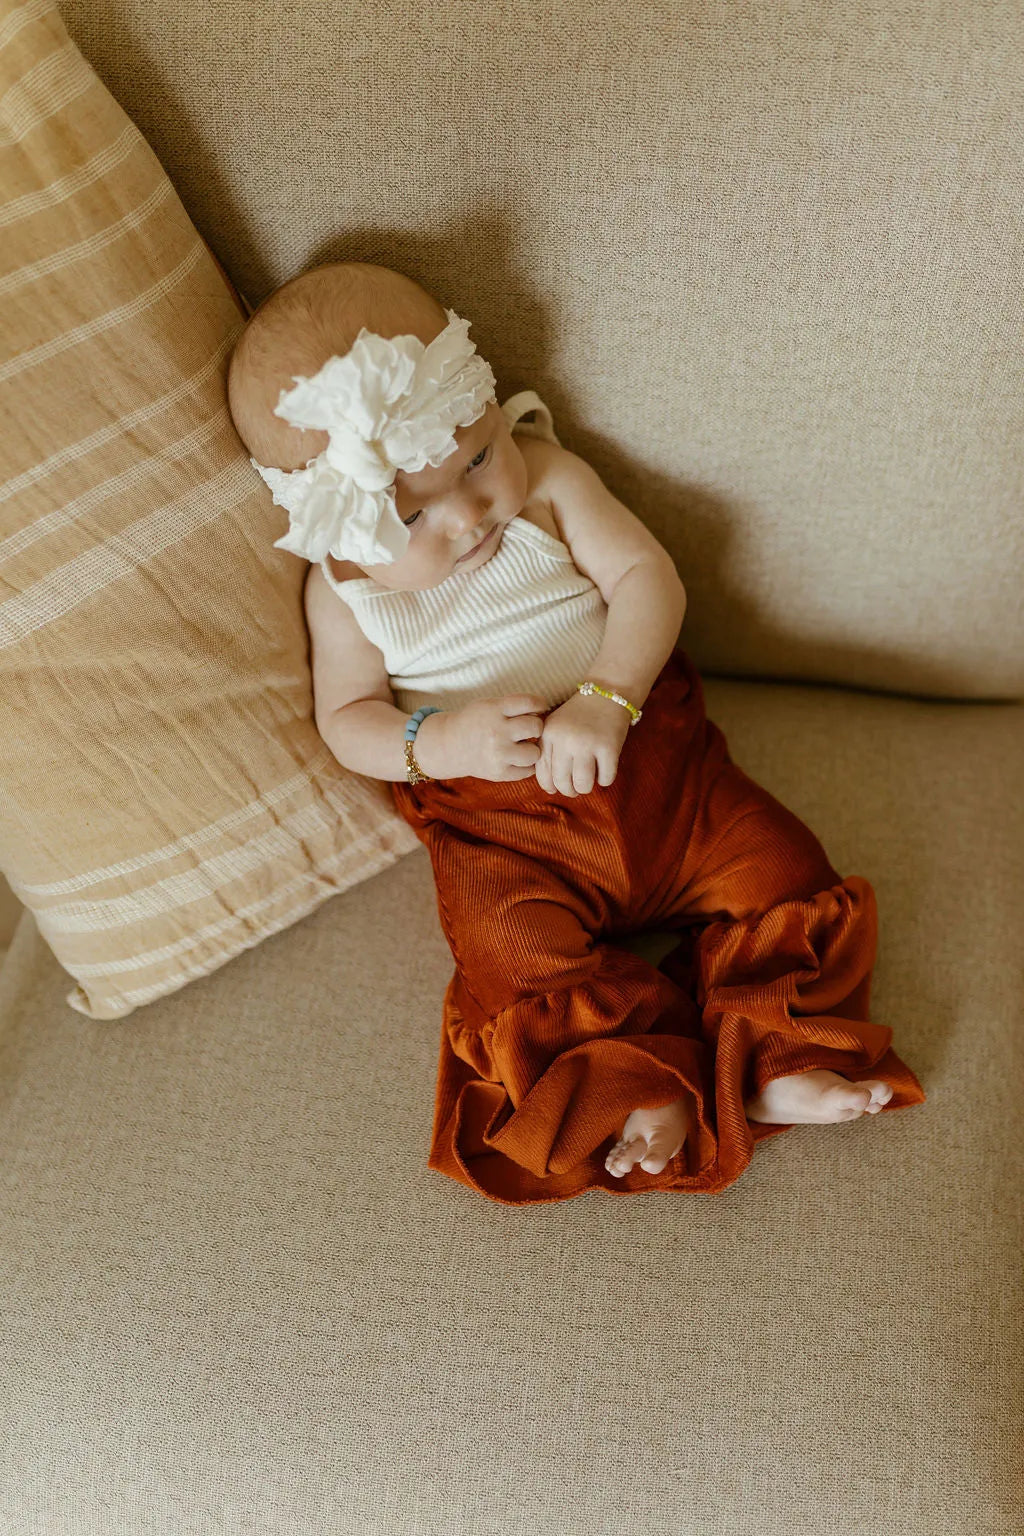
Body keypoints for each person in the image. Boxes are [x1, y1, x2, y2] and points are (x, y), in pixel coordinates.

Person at [227, 260, 926, 1206]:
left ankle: (779, 1055)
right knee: (506, 951)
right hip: (507, 833)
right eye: (413, 513)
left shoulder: (548, 480)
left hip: (659, 775)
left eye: (475, 457)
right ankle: (641, 1082)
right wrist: (437, 744)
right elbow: (347, 722)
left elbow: (649, 580)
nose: (470, 513)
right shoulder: (343, 595)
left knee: (779, 865)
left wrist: (609, 694)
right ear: (335, 526)